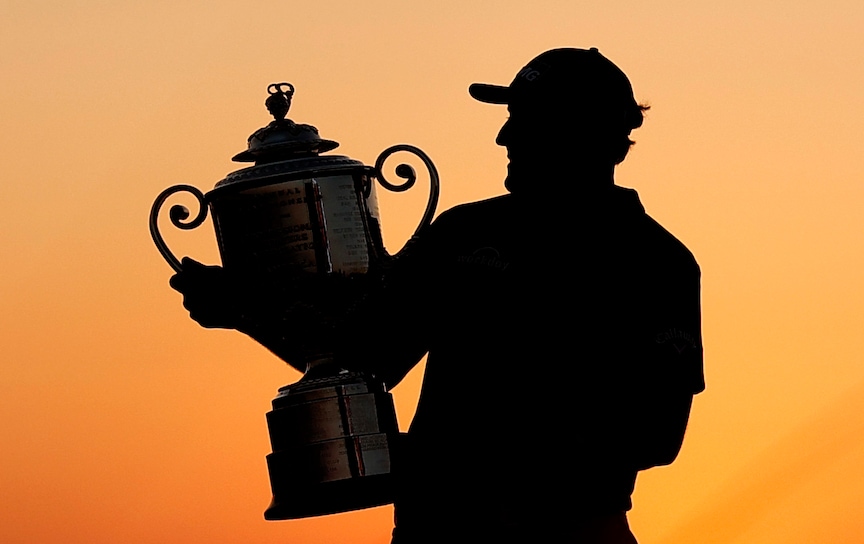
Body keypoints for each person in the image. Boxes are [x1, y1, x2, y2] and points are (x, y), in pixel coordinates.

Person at [172, 47, 703, 544]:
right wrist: (245, 308)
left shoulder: (658, 264)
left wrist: (463, 461)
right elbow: (360, 352)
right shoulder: (464, 232)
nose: (504, 137)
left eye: (525, 120)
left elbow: (656, 437)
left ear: (581, 134)